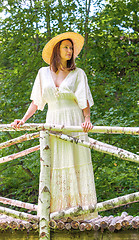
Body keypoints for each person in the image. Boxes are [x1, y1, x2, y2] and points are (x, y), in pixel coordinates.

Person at [11, 32, 97, 220]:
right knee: (55, 163)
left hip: (73, 121)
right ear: (57, 50)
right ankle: (57, 213)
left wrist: (87, 119)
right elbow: (37, 101)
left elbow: (84, 100)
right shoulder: (43, 73)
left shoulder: (78, 73)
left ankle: (79, 212)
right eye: (66, 47)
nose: (70, 50)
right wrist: (23, 120)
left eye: (71, 48)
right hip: (53, 120)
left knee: (74, 162)